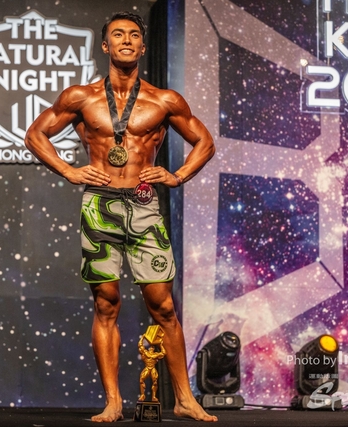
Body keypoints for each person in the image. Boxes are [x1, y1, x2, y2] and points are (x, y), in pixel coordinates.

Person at [25, 11, 217, 423]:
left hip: (144, 204)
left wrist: (178, 175)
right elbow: (35, 134)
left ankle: (184, 398)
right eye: (118, 35)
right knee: (105, 303)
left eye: (133, 35)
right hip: (100, 204)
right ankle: (113, 401)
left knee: (163, 306)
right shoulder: (80, 97)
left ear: (143, 47)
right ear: (105, 45)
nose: (126, 40)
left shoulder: (165, 101)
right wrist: (68, 170)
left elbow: (205, 141)